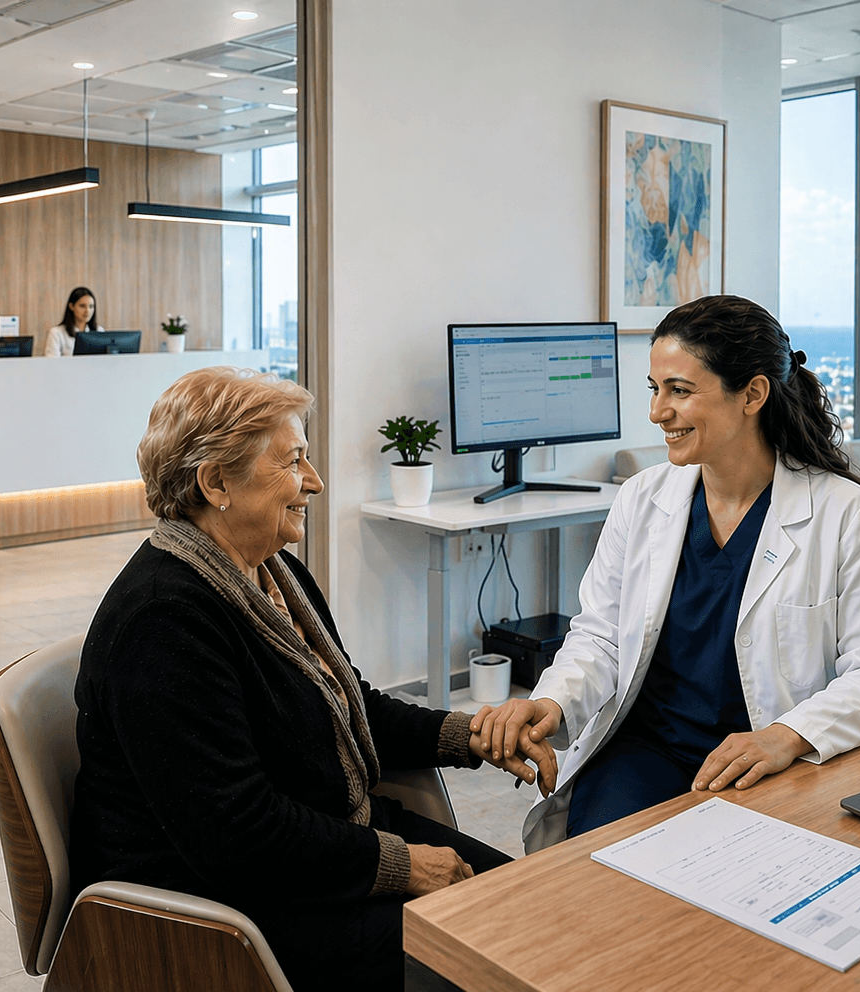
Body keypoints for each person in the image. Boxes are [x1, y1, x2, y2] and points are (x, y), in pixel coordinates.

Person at [69, 367, 555, 992]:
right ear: (216, 482)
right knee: (488, 951)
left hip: (317, 847)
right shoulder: (163, 619)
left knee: (528, 903)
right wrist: (399, 862)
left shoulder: (275, 574)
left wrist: (472, 735)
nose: (316, 482)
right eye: (293, 461)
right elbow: (235, 832)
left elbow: (348, 709)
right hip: (217, 906)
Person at [474, 295, 860, 853]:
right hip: (648, 750)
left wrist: (786, 737)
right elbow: (602, 638)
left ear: (752, 394)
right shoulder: (642, 499)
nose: (658, 412)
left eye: (680, 391)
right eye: (655, 390)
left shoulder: (845, 513)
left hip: (771, 756)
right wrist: (552, 702)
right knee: (603, 877)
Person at [43, 286, 97, 356]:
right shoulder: (56, 333)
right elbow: (52, 363)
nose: (87, 311)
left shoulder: (99, 330)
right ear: (71, 306)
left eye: (91, 306)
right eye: (82, 306)